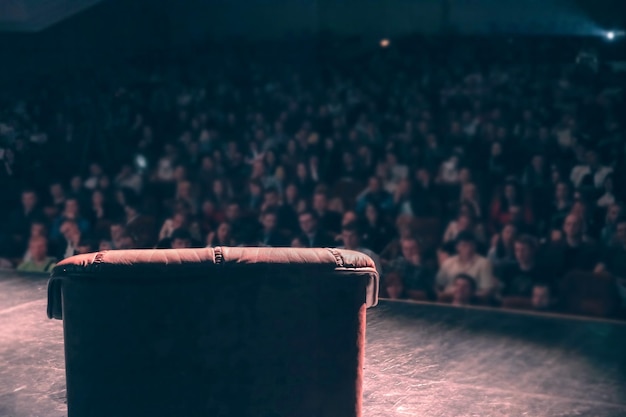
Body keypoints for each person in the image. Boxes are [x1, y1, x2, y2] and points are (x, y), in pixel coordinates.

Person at [436, 231, 496, 298]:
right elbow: (439, 285)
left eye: (471, 245)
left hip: (473, 300)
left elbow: (487, 290)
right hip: (449, 299)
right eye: (464, 245)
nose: (468, 249)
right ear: (457, 247)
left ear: (475, 246)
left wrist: (465, 295)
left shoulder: (484, 263)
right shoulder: (448, 263)